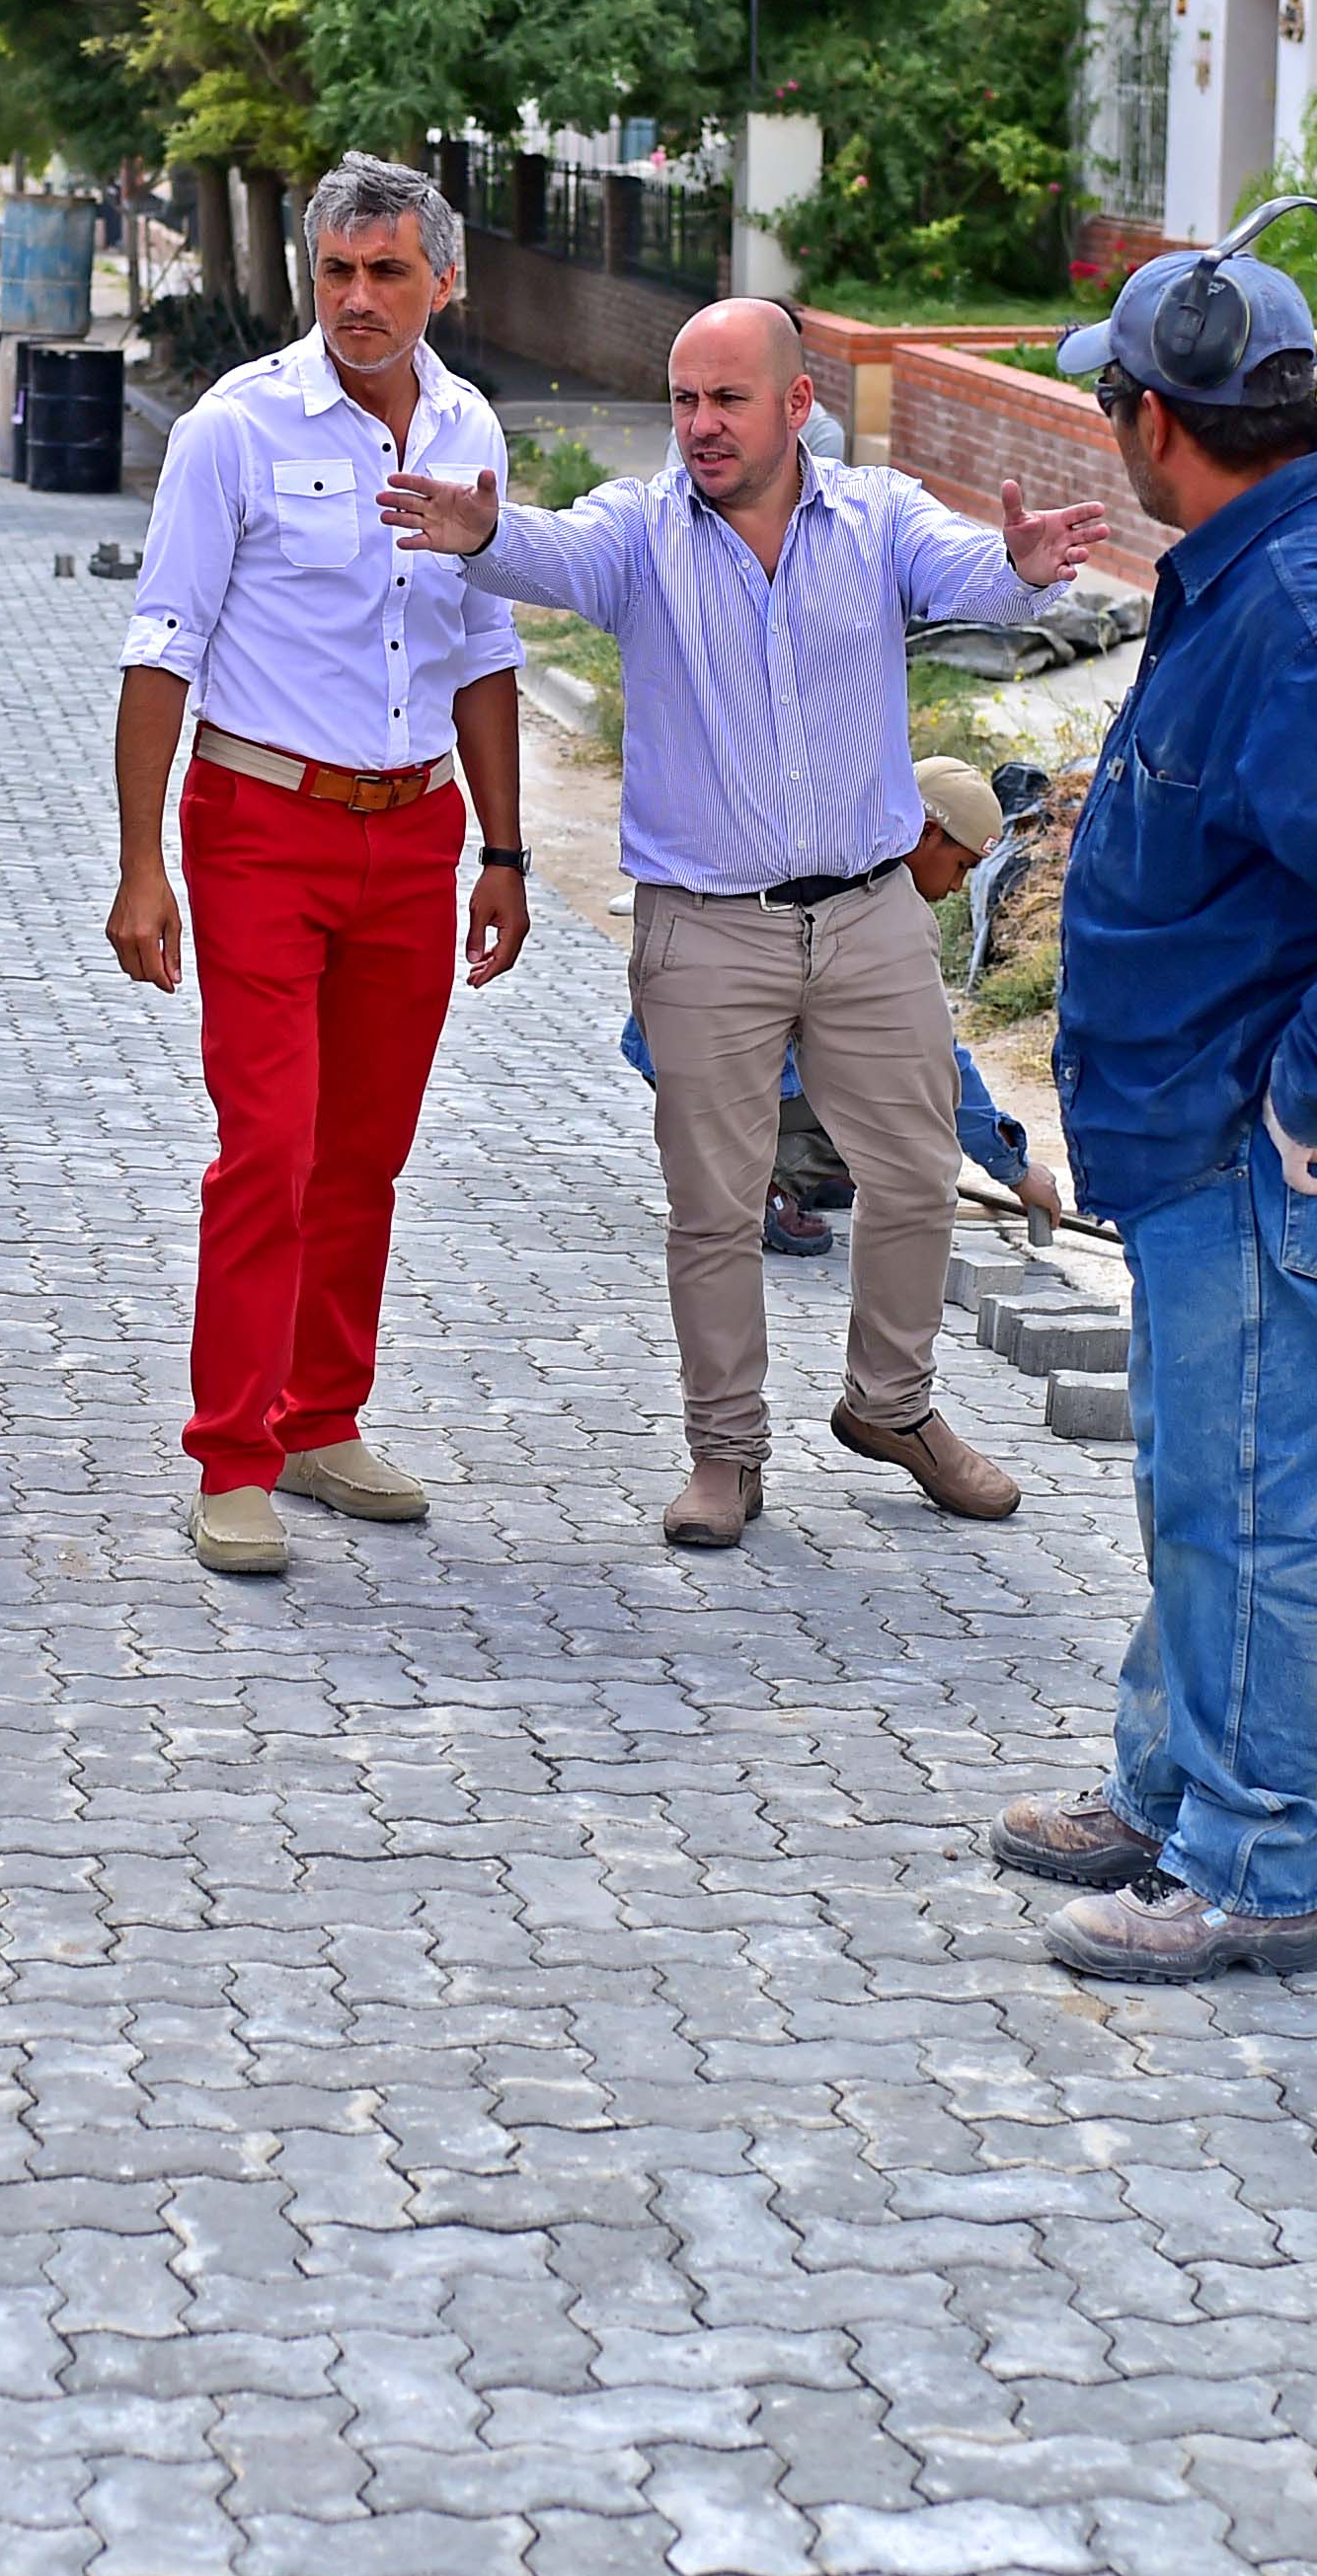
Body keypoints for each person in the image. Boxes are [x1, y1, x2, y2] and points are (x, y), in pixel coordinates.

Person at [990, 231, 1317, 1987]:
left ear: (1156, 419)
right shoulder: (1247, 563)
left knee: (1240, 1499)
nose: (1102, 420)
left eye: (1106, 396)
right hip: (1201, 1128)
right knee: (1195, 1482)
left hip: (1247, 1142)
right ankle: (1169, 1791)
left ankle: (1251, 1868)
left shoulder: (1293, 603)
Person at [386, 297, 1099, 1551]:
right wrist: (480, 530)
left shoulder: (874, 517)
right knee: (713, 1209)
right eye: (682, 400)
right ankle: (724, 1454)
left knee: (919, 1175)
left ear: (795, 404)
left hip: (872, 915)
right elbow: (540, 551)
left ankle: (891, 1406)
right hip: (705, 931)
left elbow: (962, 570)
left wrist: (1023, 567)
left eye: (725, 400)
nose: (699, 426)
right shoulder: (636, 532)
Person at [109, 155, 533, 1577]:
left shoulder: (469, 426)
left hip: (413, 837)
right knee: (270, 1148)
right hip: (259, 826)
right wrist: (140, 867)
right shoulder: (237, 427)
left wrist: (506, 849)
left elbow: (482, 653)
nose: (359, 300)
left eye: (388, 272)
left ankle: (318, 1414)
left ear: (442, 281)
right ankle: (230, 1454)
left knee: (366, 1150)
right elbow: (163, 645)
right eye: (338, 271)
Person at [618, 755, 1065, 1253]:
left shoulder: (832, 850)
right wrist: (1018, 1173)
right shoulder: (861, 902)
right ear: (926, 835)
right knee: (903, 1122)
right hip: (728, 1068)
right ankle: (763, 1185)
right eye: (961, 866)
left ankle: (780, 1163)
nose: (958, 886)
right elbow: (940, 1069)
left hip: (686, 1052)